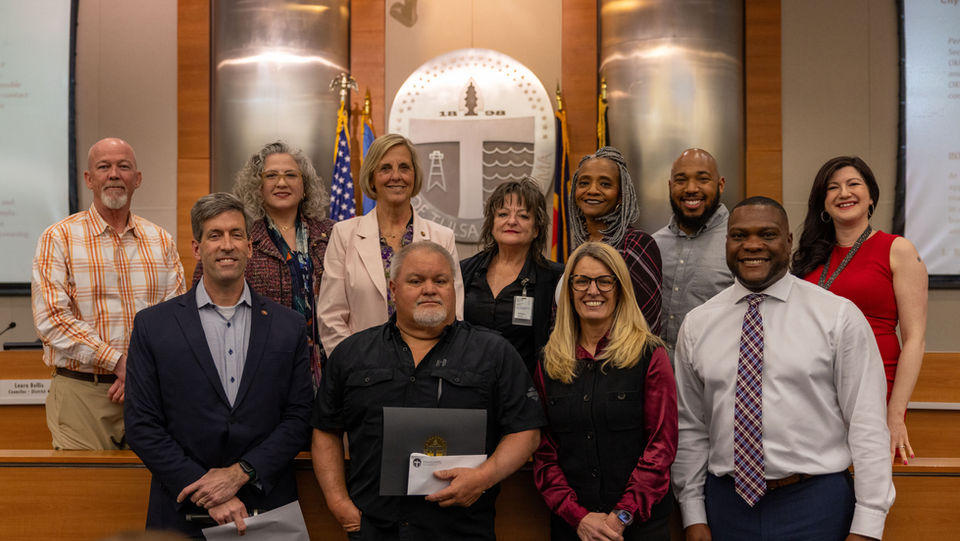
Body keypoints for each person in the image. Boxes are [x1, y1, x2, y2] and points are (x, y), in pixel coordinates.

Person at [672, 197, 895, 541]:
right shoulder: (697, 325)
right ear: (726, 242)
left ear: (789, 241)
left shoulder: (836, 316)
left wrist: (868, 523)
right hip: (727, 506)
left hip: (814, 502)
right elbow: (690, 427)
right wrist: (693, 512)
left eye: (767, 234)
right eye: (740, 236)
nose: (752, 245)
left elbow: (866, 423)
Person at [312, 241, 545, 540]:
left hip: (461, 530)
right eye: (416, 281)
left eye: (440, 280)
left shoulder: (494, 352)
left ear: (453, 288)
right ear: (393, 290)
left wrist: (483, 477)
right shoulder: (352, 354)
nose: (430, 289)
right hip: (375, 530)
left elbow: (527, 432)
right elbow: (325, 429)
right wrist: (338, 502)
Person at [125, 193, 314, 537]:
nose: (227, 245)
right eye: (215, 235)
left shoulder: (288, 326)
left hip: (266, 504)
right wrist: (205, 488)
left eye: (236, 234)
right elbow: (141, 424)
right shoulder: (154, 325)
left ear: (250, 247)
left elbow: (299, 416)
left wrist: (240, 473)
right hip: (182, 509)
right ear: (197, 249)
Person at [31, 137, 185, 450]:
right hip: (82, 394)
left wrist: (139, 371)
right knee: (83, 495)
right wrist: (117, 362)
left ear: (137, 179)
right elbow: (51, 319)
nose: (114, 174)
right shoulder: (58, 238)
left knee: (145, 496)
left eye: (123, 166)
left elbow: (178, 321)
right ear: (89, 179)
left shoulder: (161, 241)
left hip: (151, 395)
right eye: (104, 167)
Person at [534, 242, 677, 541]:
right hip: (573, 528)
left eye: (604, 281)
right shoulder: (549, 361)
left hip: (639, 528)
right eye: (582, 281)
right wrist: (579, 517)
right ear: (570, 290)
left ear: (620, 288)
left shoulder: (650, 354)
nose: (593, 290)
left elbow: (661, 447)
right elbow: (544, 451)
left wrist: (622, 516)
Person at [792, 156, 927, 464]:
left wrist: (895, 414)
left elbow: (915, 340)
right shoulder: (810, 258)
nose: (844, 193)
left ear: (870, 197)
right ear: (823, 203)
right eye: (833, 188)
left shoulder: (897, 249)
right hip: (814, 391)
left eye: (854, 184)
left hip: (873, 385)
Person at [193, 141, 334, 387]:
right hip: (261, 366)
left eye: (291, 175)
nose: (282, 183)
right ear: (257, 186)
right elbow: (203, 292)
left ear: (305, 184)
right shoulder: (240, 235)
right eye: (271, 176)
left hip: (328, 366)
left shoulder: (331, 234)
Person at [317, 133, 464, 355]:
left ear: (414, 176)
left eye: (404, 167)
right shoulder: (344, 234)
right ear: (372, 177)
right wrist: (355, 367)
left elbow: (454, 315)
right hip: (363, 371)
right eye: (385, 168)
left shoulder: (442, 237)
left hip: (429, 370)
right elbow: (331, 316)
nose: (396, 176)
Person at [460, 178, 564, 374]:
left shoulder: (555, 278)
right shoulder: (464, 271)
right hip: (468, 386)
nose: (511, 221)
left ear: (537, 229)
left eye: (523, 216)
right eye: (502, 214)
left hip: (524, 388)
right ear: (491, 224)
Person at [569, 147, 662, 334]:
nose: (592, 190)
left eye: (605, 184)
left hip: (620, 360)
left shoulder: (637, 245)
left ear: (621, 195)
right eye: (584, 183)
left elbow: (646, 326)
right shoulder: (578, 247)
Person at [652, 148, 733, 357]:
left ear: (720, 185)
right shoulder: (653, 245)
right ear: (670, 186)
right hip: (660, 378)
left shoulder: (738, 243)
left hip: (716, 377)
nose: (691, 189)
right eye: (681, 180)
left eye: (702, 179)